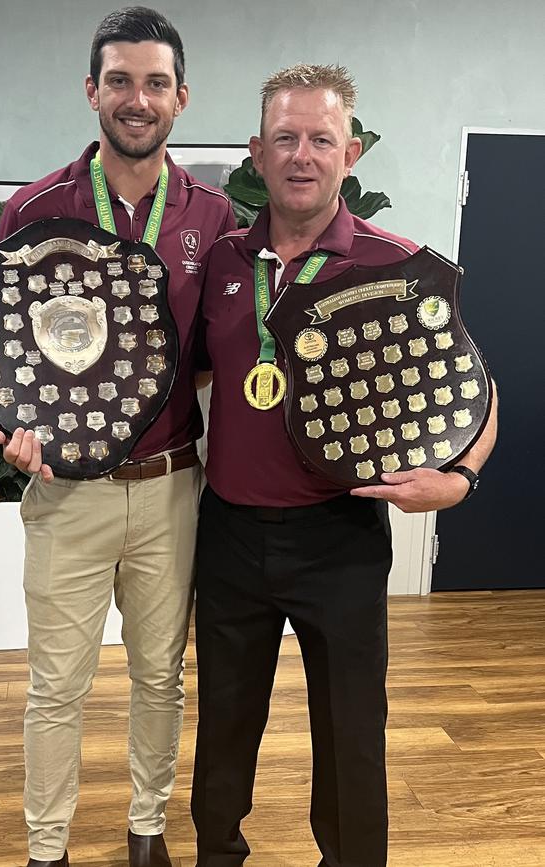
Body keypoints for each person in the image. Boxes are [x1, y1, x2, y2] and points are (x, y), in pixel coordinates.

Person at [191, 63, 498, 867]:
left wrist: (459, 478)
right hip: (227, 536)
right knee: (223, 726)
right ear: (256, 153)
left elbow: (474, 389)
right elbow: (181, 375)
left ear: (350, 151)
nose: (302, 155)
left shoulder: (397, 266)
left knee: (352, 732)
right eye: (285, 138)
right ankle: (218, 856)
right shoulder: (223, 262)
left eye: (320, 139)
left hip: (340, 539)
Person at [0, 8, 235, 867]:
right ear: (92, 91)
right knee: (57, 687)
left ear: (182, 97)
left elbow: (213, 356)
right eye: (121, 81)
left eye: (156, 83)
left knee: (159, 676)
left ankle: (146, 829)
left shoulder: (215, 213)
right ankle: (47, 847)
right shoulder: (35, 208)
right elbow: (2, 350)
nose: (139, 99)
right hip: (66, 490)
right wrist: (18, 424)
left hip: (170, 486)